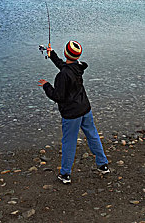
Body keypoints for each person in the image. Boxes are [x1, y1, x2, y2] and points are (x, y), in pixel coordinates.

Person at [38, 40, 110, 184]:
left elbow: (58, 96)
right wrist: (52, 55)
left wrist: (46, 86)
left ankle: (65, 174)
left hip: (71, 114)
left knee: (69, 142)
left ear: (66, 53)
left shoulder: (63, 75)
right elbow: (64, 66)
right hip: (85, 108)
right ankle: (103, 165)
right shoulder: (77, 67)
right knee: (93, 135)